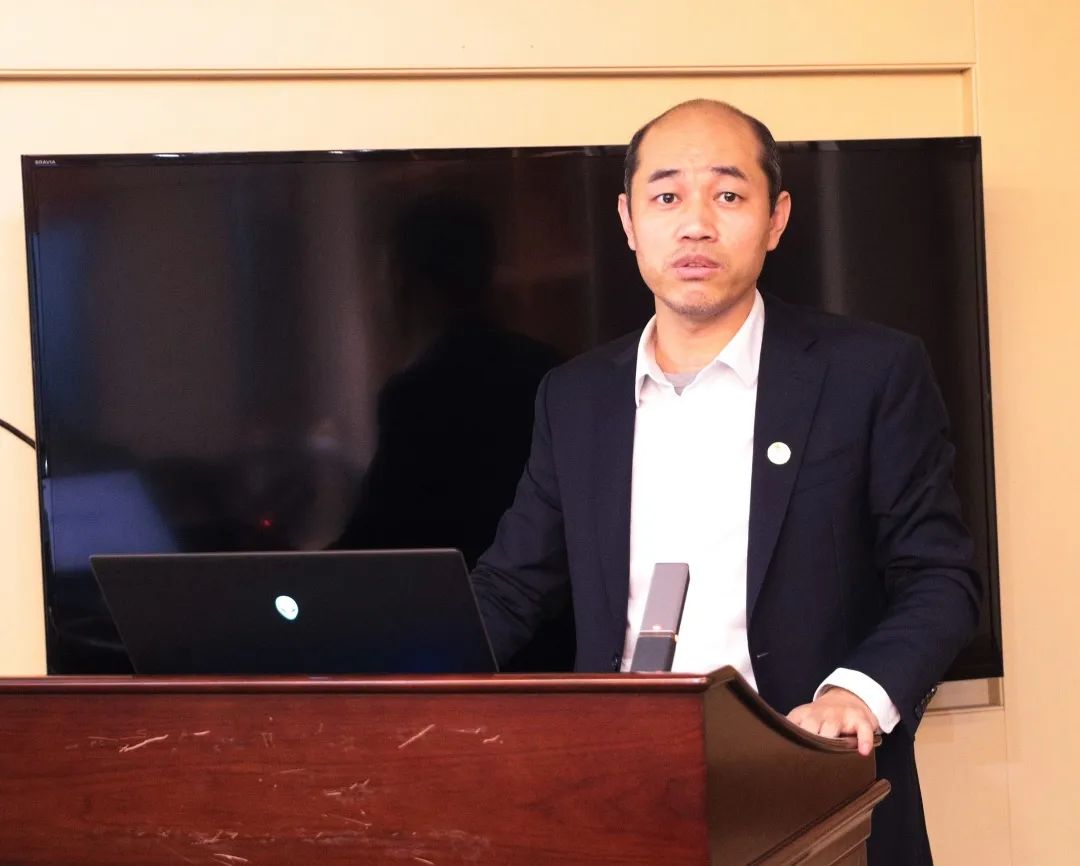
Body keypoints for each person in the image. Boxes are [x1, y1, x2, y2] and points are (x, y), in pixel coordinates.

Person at [470, 98, 981, 864]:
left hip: (809, 790)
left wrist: (855, 694)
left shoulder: (870, 373)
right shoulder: (574, 396)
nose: (696, 224)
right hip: (614, 796)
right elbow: (514, 588)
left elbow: (940, 579)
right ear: (628, 220)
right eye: (667, 197)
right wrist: (379, 667)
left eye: (729, 194)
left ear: (776, 219)